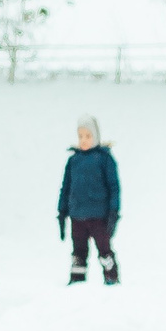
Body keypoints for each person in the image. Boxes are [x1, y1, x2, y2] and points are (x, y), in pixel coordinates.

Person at [58, 114, 121, 285]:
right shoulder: (74, 160)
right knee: (78, 252)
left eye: (88, 136)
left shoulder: (104, 158)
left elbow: (114, 187)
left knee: (104, 250)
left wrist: (114, 210)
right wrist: (62, 211)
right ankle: (77, 280)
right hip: (77, 215)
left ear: (96, 136)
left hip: (99, 216)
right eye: (80, 136)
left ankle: (111, 278)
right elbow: (66, 187)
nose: (84, 140)